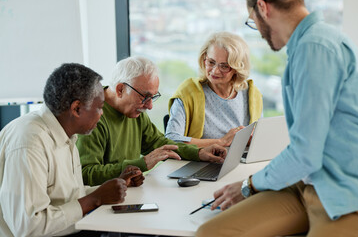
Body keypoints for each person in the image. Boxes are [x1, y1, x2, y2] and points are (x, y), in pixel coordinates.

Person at [197, 0, 358, 236]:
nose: (260, 32)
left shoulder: (314, 47)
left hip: (341, 193)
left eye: (253, 21)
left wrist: (248, 185)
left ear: (262, 7)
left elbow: (305, 154)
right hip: (308, 183)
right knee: (210, 232)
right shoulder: (309, 44)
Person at [0, 63, 144, 237]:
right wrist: (95, 198)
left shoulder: (66, 134)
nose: (102, 114)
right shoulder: (30, 142)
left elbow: (69, 198)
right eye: (100, 107)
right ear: (76, 108)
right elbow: (28, 226)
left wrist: (113, 187)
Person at [77, 56, 227, 186]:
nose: (149, 106)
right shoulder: (93, 116)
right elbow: (86, 173)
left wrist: (199, 153)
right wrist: (141, 164)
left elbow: (160, 143)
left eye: (153, 97)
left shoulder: (134, 111)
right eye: (145, 97)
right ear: (120, 89)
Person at [165, 31, 263, 148]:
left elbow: (259, 138)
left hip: (240, 162)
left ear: (237, 68)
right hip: (200, 162)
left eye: (224, 66)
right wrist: (221, 142)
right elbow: (171, 139)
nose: (215, 71)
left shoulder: (251, 94)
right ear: (204, 59)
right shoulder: (188, 92)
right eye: (211, 62)